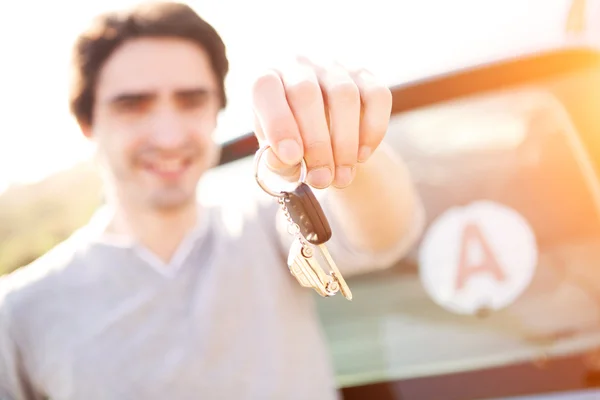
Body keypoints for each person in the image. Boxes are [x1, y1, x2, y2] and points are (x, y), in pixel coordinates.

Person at [0, 2, 424, 399]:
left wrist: (351, 146)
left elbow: (384, 233)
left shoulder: (268, 227)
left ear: (217, 112)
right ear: (87, 124)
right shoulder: (17, 313)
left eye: (191, 100)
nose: (168, 137)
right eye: (133, 105)